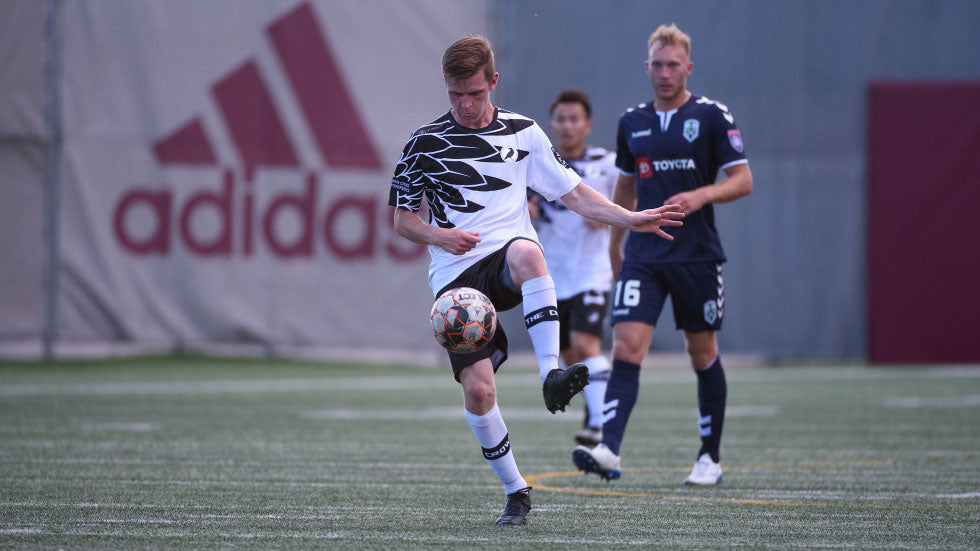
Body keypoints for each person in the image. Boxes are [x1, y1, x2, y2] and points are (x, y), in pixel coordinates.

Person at [389, 35, 684, 526]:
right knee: (480, 392)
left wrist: (629, 219)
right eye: (454, 94)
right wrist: (440, 235)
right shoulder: (424, 143)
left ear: (493, 82)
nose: (464, 103)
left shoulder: (524, 134)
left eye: (474, 93)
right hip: (456, 280)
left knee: (527, 251)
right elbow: (401, 219)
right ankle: (516, 491)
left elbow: (576, 194)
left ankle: (551, 373)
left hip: (506, 256)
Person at [572, 24, 753, 486]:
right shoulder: (632, 121)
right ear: (647, 67)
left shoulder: (712, 116)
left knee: (701, 352)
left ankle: (708, 457)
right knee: (627, 346)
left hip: (696, 256)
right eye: (658, 64)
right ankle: (609, 449)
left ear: (688, 68)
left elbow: (742, 179)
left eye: (674, 65)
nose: (665, 72)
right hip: (644, 255)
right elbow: (626, 185)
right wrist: (617, 240)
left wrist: (702, 196)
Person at [527, 89, 616, 448]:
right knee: (568, 355)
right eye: (561, 119)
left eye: (574, 119)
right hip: (552, 274)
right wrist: (526, 211)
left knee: (585, 342)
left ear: (588, 125)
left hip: (593, 270)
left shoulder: (606, 164)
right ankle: (595, 414)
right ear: (551, 124)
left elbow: (631, 198)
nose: (567, 126)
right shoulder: (538, 165)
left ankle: (600, 424)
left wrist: (609, 216)